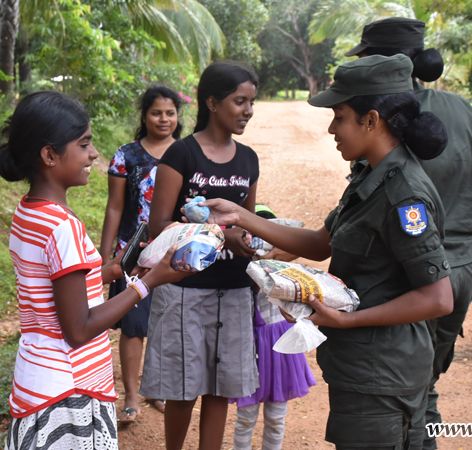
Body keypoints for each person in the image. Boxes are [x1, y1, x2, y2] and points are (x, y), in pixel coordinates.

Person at [198, 54, 454, 449]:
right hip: (367, 368)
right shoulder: (372, 175)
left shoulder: (405, 195)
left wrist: (347, 321)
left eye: (339, 116)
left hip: (383, 374)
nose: (332, 129)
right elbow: (321, 244)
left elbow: (437, 298)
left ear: (370, 120)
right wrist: (241, 217)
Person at [0, 90, 191, 450]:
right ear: (50, 155)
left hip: (36, 380)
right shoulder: (62, 227)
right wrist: (149, 282)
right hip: (69, 393)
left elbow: (49, 287)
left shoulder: (29, 212)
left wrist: (110, 271)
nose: (94, 154)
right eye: (84, 144)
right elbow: (79, 329)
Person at [344, 17, 472, 449]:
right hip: (463, 267)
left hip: (415, 276)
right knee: (424, 383)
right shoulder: (459, 107)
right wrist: (447, 186)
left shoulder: (384, 122)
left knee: (409, 388)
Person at [140, 61, 261, 450]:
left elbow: (250, 223)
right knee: (182, 387)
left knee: (220, 387)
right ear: (212, 102)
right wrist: (223, 238)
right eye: (239, 101)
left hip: (235, 289)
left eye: (251, 103)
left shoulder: (249, 160)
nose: (248, 111)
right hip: (184, 289)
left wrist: (250, 241)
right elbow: (159, 225)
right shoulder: (182, 153)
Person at [99, 84, 182, 422]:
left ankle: (157, 388)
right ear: (144, 116)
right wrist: (106, 258)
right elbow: (115, 208)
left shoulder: (186, 154)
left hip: (175, 253)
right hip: (131, 255)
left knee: (166, 323)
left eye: (170, 113)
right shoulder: (126, 156)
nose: (164, 119)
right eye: (156, 112)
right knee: (133, 326)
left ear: (179, 116)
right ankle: (131, 395)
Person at [229, 205, 317, 450]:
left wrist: (269, 257)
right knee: (245, 419)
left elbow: (299, 244)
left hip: (280, 345)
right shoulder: (236, 269)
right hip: (248, 343)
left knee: (277, 418)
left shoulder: (281, 266)